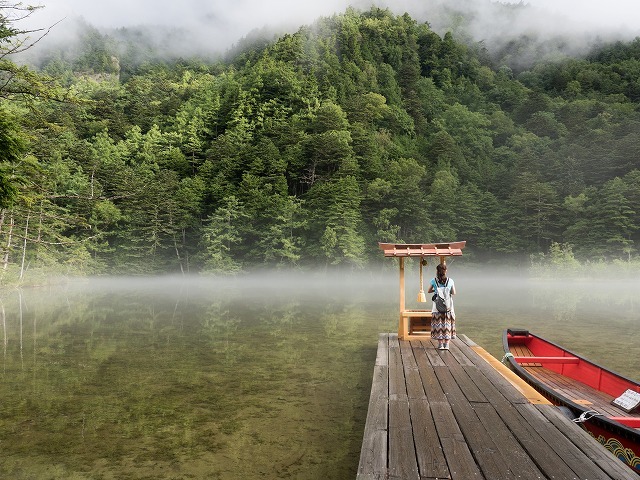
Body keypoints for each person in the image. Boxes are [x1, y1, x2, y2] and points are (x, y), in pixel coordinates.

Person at [427, 263, 456, 350]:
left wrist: (436, 290)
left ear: (437, 271)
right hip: (448, 306)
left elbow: (428, 291)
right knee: (447, 324)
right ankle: (446, 345)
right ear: (445, 271)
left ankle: (440, 344)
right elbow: (454, 293)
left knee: (438, 324)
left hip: (437, 306)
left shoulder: (434, 281)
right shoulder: (450, 281)